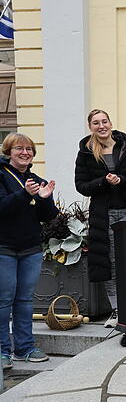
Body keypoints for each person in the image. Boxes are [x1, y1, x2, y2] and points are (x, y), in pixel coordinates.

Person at [74, 109, 126, 328]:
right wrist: (103, 182)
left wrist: (122, 179)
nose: (101, 126)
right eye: (96, 123)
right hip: (102, 215)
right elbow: (81, 186)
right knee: (111, 262)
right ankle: (117, 310)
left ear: (110, 123)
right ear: (90, 127)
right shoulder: (86, 152)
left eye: (104, 121)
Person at [0, 133, 58, 369]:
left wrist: (44, 199)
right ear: (8, 152)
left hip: (30, 249)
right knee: (3, 301)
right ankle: (3, 351)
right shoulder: (2, 175)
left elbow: (49, 216)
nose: (25, 153)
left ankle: (25, 348)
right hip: (3, 247)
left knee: (24, 301)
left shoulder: (36, 180)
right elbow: (2, 208)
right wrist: (26, 194)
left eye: (29, 149)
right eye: (19, 149)